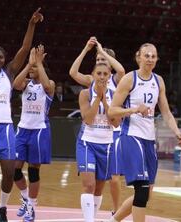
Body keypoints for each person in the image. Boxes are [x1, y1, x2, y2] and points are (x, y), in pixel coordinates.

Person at [0, 4, 43, 221]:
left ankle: (1, 208)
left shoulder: (10, 73)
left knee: (9, 172)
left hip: (4, 127)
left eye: (0, 57)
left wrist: (31, 24)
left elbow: (24, 48)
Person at [107, 43, 181, 222]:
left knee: (146, 194)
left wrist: (176, 130)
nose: (150, 58)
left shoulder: (158, 81)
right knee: (141, 190)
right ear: (139, 57)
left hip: (149, 139)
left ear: (156, 59)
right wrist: (134, 110)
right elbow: (112, 111)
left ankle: (113, 221)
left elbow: (165, 111)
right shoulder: (129, 79)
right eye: (147, 55)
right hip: (131, 136)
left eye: (153, 56)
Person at [69, 37, 126, 214]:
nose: (100, 63)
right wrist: (86, 50)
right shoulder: (90, 82)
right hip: (91, 132)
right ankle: (95, 216)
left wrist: (102, 51)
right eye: (98, 61)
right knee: (91, 184)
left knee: (112, 180)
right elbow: (73, 72)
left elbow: (122, 70)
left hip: (113, 132)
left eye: (104, 60)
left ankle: (115, 211)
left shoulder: (117, 80)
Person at [12, 45, 54, 222]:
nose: (32, 69)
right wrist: (29, 65)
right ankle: (25, 198)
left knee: (33, 171)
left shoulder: (49, 85)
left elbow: (46, 84)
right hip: (22, 129)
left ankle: (31, 206)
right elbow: (15, 84)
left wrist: (39, 63)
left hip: (39, 131)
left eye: (35, 67)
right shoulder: (26, 84)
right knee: (14, 169)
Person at [76, 62, 120, 222]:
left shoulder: (116, 95)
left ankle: (92, 217)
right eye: (99, 73)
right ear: (93, 75)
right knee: (89, 185)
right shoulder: (85, 94)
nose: (102, 77)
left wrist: (106, 101)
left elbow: (116, 123)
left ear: (109, 77)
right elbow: (87, 119)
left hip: (107, 145)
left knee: (99, 187)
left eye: (105, 74)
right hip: (87, 142)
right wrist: (98, 99)